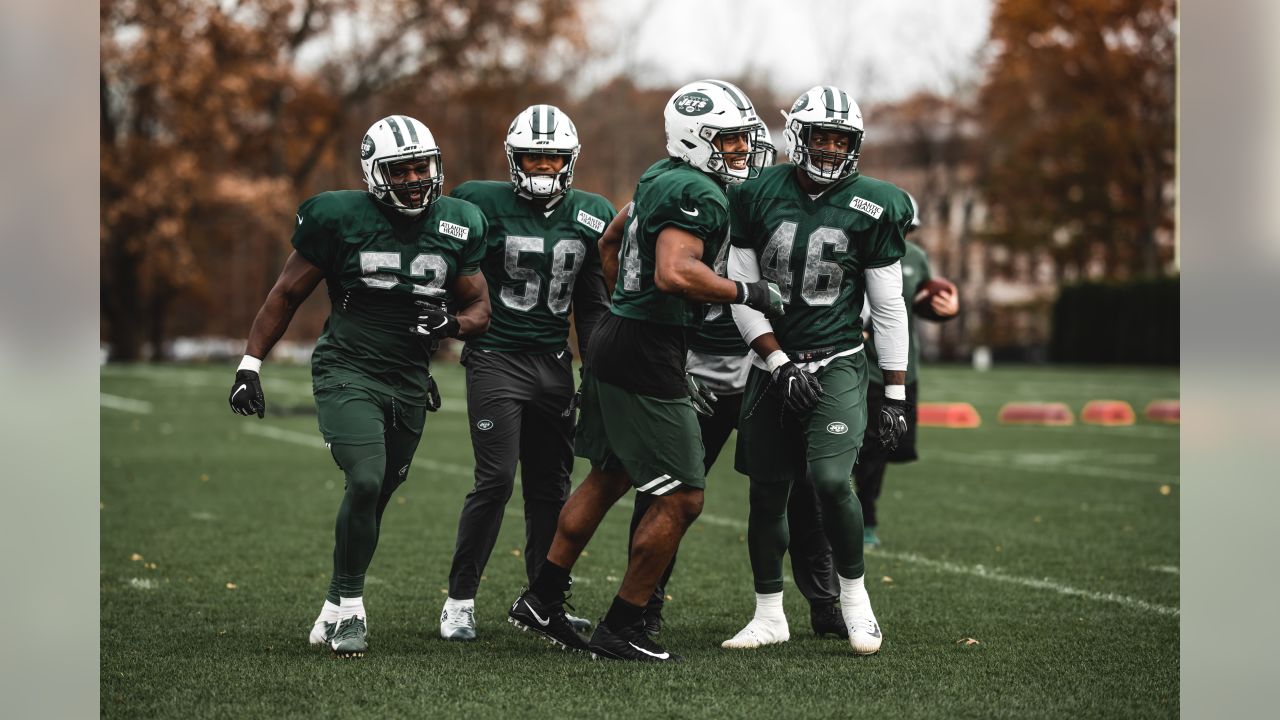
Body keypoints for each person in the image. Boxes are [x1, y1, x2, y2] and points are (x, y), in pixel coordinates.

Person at [507, 79, 783, 662]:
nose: (741, 150)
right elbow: (674, 274)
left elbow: (610, 241)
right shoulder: (698, 193)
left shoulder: (660, 174)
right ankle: (622, 626)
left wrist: (619, 308)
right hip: (646, 346)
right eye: (729, 140)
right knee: (683, 498)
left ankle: (542, 597)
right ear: (696, 140)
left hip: (618, 334)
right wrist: (748, 290)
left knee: (608, 475)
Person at [227, 115, 491, 658]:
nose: (417, 179)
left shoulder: (458, 221)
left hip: (410, 379)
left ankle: (332, 604)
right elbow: (285, 295)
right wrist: (250, 364)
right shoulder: (337, 217)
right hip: (347, 368)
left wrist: (450, 327)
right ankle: (352, 611)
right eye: (403, 170)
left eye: (424, 166)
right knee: (366, 480)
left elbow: (478, 306)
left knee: (377, 496)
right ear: (375, 174)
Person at [617, 127, 848, 640]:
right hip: (698, 364)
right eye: (734, 147)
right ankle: (643, 604)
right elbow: (617, 244)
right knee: (666, 491)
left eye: (749, 149)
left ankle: (825, 602)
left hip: (764, 367)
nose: (744, 161)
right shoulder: (682, 194)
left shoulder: (767, 203)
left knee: (799, 490)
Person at [722, 85, 913, 656]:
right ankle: (769, 613)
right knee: (766, 492)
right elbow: (741, 295)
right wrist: (777, 362)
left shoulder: (875, 203)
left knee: (831, 480)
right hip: (771, 361)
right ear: (796, 136)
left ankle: (855, 602)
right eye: (821, 136)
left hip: (837, 362)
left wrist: (896, 393)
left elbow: (887, 307)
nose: (830, 148)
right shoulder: (755, 193)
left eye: (841, 139)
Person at [437, 105, 613, 641]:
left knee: (550, 487)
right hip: (496, 358)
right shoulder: (477, 201)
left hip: (554, 363)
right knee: (494, 481)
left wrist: (601, 369)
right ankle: (460, 600)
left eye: (552, 156)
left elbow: (591, 304)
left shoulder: (591, 213)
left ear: (570, 159)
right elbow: (446, 268)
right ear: (513, 158)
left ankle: (545, 600)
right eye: (533, 156)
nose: (542, 166)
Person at [856, 192, 959, 548]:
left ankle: (863, 512)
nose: (903, 233)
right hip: (861, 368)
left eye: (908, 228)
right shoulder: (860, 251)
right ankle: (859, 519)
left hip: (903, 369)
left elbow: (926, 305)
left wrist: (948, 308)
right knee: (861, 448)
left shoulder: (916, 258)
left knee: (889, 448)